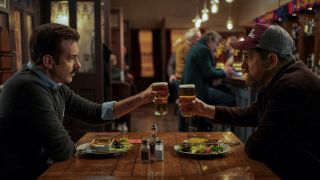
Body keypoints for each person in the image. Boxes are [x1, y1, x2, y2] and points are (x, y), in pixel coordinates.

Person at [0, 23, 160, 179]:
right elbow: (63, 150)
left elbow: (96, 112)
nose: (79, 65)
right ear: (48, 61)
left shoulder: (52, 84)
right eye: (72, 58)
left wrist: (141, 98)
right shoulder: (29, 88)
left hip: (46, 170)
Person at [180, 23, 320, 178]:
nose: (243, 65)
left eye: (248, 57)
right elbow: (252, 113)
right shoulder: (285, 78)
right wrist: (206, 109)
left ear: (271, 61)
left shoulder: (291, 87)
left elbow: (257, 147)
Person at [182, 31, 235, 131]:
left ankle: (211, 124)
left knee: (225, 91)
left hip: (193, 89)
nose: (216, 47)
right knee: (230, 99)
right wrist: (224, 72)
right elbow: (209, 72)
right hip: (199, 92)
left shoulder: (195, 47)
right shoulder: (203, 49)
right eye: (217, 43)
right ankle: (219, 130)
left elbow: (206, 71)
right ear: (210, 40)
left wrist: (221, 72)